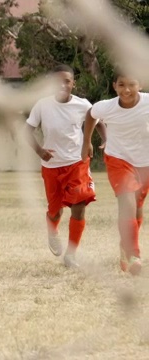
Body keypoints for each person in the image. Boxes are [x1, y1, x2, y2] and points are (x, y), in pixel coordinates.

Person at [26, 64, 106, 268]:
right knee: (55, 211)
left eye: (67, 81)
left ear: (73, 83)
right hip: (52, 166)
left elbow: (98, 121)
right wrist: (39, 150)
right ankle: (52, 230)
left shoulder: (83, 105)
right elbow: (27, 130)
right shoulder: (42, 105)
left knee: (79, 207)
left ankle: (71, 254)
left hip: (77, 163)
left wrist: (105, 140)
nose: (62, 85)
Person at [82, 69, 149, 275]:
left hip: (145, 162)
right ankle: (133, 255)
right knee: (127, 204)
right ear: (114, 86)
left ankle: (125, 244)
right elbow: (90, 115)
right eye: (121, 85)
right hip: (118, 159)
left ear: (140, 84)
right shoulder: (106, 107)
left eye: (132, 84)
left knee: (137, 209)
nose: (126, 90)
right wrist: (87, 142)